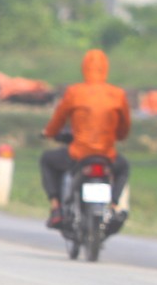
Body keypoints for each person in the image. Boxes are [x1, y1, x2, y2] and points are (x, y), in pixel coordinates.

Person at [40, 48, 131, 234]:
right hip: (107, 156)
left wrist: (49, 132)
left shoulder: (75, 92)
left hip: (78, 155)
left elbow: (58, 119)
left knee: (47, 160)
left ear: (84, 68)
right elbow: (124, 129)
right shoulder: (117, 94)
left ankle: (56, 207)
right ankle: (113, 206)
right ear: (105, 68)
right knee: (123, 167)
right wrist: (117, 137)